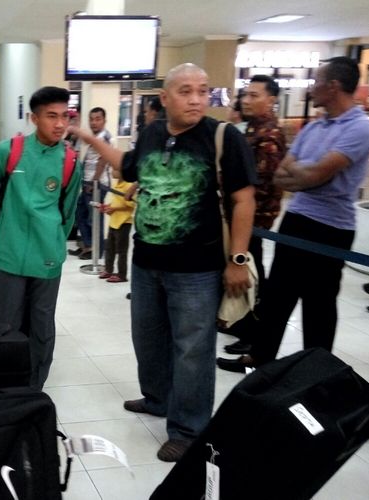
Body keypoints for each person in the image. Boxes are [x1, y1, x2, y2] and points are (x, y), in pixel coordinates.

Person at [71, 63, 256, 462]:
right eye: (186, 91)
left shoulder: (223, 137)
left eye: (203, 91)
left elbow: (244, 200)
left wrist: (237, 259)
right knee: (148, 338)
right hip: (147, 261)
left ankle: (189, 429)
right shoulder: (154, 132)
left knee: (192, 349)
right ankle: (157, 399)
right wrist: (88, 137)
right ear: (165, 98)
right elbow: (128, 166)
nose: (196, 99)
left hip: (197, 268)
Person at [217, 56, 369, 373]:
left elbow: (314, 174)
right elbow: (283, 175)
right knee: (277, 295)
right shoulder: (315, 127)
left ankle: (313, 371)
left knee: (319, 303)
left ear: (333, 86)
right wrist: (307, 176)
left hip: (330, 228)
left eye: (316, 82)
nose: (311, 89)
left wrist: (307, 176)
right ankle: (260, 358)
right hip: (296, 221)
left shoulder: (361, 128)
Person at [0, 86, 82, 390]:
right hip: (10, 254)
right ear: (34, 118)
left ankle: (34, 386)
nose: (59, 124)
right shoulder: (10, 151)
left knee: (42, 326)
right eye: (51, 116)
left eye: (64, 117)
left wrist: (55, 244)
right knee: (7, 324)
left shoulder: (69, 161)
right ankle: (6, 383)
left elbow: (68, 213)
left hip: (47, 257)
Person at [221, 75, 287, 355]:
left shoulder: (269, 136)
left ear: (271, 100)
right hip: (241, 220)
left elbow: (258, 187)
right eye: (245, 95)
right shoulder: (249, 131)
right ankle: (243, 328)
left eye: (254, 95)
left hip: (254, 222)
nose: (246, 100)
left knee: (251, 275)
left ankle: (254, 339)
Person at [70, 107, 112, 260]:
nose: (94, 122)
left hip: (97, 185)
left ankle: (96, 251)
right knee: (80, 213)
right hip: (88, 183)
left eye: (98, 119)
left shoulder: (104, 137)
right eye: (91, 119)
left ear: (104, 120)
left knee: (94, 218)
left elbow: (104, 160)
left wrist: (93, 182)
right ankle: (88, 246)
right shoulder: (94, 137)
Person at [97, 167, 135, 283]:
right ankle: (108, 269)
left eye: (115, 169)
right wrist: (107, 206)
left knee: (121, 250)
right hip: (113, 221)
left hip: (124, 222)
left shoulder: (129, 186)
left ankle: (121, 274)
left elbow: (131, 205)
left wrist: (114, 208)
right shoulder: (115, 184)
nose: (111, 171)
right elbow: (115, 201)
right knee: (110, 248)